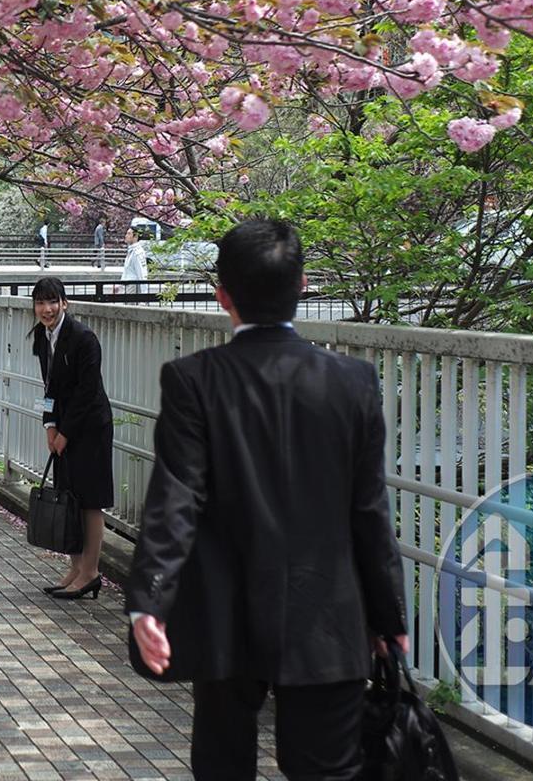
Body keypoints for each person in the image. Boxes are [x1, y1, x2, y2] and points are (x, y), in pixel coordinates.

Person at [126, 217, 407, 781]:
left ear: (221, 294)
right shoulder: (353, 381)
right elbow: (369, 511)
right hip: (328, 612)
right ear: (302, 284)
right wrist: (388, 615)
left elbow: (175, 500)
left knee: (223, 764)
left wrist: (149, 602)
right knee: (326, 770)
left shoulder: (193, 379)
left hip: (226, 614)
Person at [31, 276, 112, 598]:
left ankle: (91, 572)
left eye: (53, 301)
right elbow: (48, 387)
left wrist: (65, 432)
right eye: (40, 302)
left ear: (65, 303)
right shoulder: (43, 336)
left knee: (90, 501)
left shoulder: (83, 338)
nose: (47, 309)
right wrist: (49, 425)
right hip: (64, 427)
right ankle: (76, 568)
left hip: (90, 428)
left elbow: (87, 392)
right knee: (69, 498)